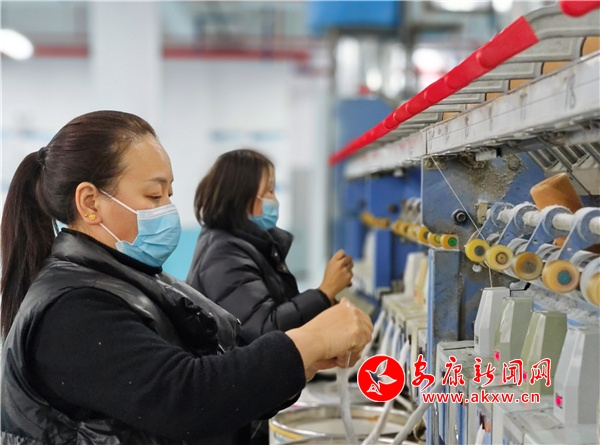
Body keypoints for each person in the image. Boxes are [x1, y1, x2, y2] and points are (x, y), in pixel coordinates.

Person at [0, 110, 373, 445]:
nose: (168, 209)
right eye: (153, 196)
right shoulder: (72, 308)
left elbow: (217, 373)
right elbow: (187, 398)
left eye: (169, 194)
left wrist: (301, 363)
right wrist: (306, 342)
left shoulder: (134, 280)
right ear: (90, 203)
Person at [186, 149, 354, 347]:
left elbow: (276, 310)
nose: (275, 201)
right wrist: (324, 292)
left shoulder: (248, 246)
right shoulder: (224, 255)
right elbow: (265, 332)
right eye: (269, 191)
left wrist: (325, 305)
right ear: (242, 196)